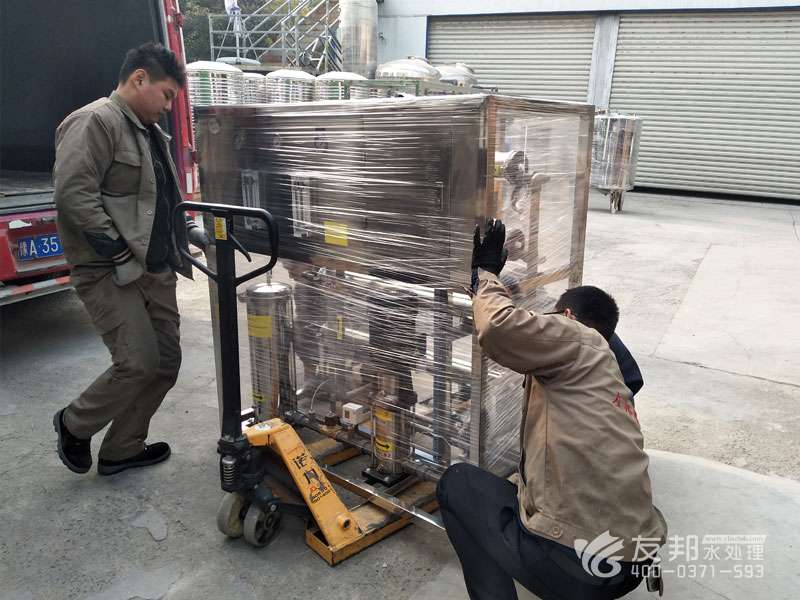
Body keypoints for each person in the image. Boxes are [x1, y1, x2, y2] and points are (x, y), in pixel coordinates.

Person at [438, 219, 666, 600]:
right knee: (518, 489)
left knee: (458, 483)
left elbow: (497, 327)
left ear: (569, 317)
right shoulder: (612, 366)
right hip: (634, 559)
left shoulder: (576, 335)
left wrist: (486, 276)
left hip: (579, 566)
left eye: (554, 316)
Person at [52, 43, 209, 476]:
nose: (169, 107)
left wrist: (191, 232)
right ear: (139, 79)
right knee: (137, 362)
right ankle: (74, 423)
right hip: (110, 270)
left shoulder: (149, 132)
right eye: (167, 95)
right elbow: (74, 196)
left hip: (155, 270)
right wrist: (118, 252)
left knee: (165, 363)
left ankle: (123, 447)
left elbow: (160, 198)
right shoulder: (94, 121)